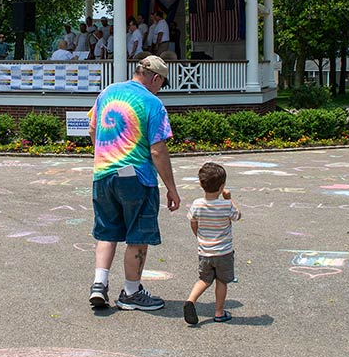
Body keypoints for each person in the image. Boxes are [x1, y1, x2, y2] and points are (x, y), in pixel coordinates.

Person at [87, 56, 181, 312]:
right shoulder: (153, 103)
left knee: (107, 231)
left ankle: (99, 283)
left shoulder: (108, 92)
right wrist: (171, 188)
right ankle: (131, 292)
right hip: (136, 178)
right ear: (156, 78)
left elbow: (93, 128)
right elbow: (158, 150)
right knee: (138, 236)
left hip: (103, 173)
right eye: (162, 83)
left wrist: (107, 154)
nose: (160, 87)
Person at [183, 162, 242, 325]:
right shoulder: (226, 204)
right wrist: (229, 198)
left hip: (204, 251)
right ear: (222, 185)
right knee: (221, 281)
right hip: (223, 252)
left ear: (201, 184)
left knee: (204, 279)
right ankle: (219, 312)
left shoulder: (197, 204)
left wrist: (199, 235)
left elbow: (193, 222)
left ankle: (191, 300)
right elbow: (238, 216)